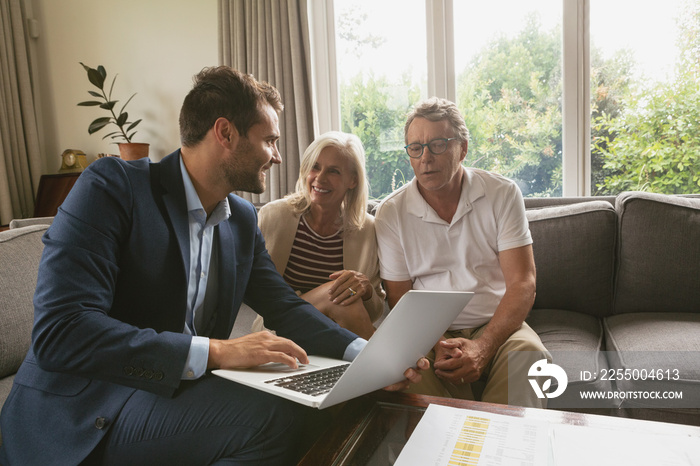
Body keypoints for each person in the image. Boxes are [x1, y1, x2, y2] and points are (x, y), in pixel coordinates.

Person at [0, 66, 426, 466]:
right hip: (86, 408)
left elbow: (287, 308)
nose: (277, 156)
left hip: (169, 393)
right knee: (271, 417)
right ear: (225, 132)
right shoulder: (112, 188)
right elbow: (62, 331)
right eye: (269, 140)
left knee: (335, 401)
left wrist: (370, 358)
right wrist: (217, 351)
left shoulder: (239, 219)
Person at [374, 97, 550, 408]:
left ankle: (499, 450)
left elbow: (524, 283)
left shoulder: (502, 193)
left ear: (463, 148)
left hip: (495, 322)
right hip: (426, 331)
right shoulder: (391, 212)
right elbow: (399, 297)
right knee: (400, 365)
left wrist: (483, 347)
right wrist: (440, 343)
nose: (426, 157)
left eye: (438, 144)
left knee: (530, 355)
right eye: (415, 148)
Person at [252, 131, 384, 340]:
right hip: (280, 327)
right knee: (338, 294)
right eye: (315, 167)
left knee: (344, 297)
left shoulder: (367, 230)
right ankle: (389, 364)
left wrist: (366, 290)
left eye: (333, 171)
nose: (320, 178)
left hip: (339, 332)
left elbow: (373, 312)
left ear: (353, 180)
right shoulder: (273, 216)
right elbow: (255, 290)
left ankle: (386, 362)